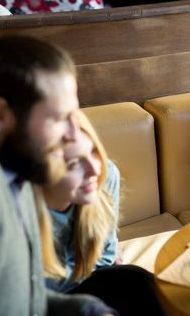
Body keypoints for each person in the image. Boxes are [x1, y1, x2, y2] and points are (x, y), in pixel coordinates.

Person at [0, 35, 115, 315]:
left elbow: (19, 299)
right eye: (59, 118)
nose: (73, 133)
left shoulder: (19, 168)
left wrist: (87, 309)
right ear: (0, 115)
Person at [38, 110, 166, 316]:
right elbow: (25, 293)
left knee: (139, 281)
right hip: (43, 302)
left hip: (86, 280)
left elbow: (104, 257)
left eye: (93, 151)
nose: (94, 169)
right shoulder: (20, 209)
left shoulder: (105, 177)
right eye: (74, 164)